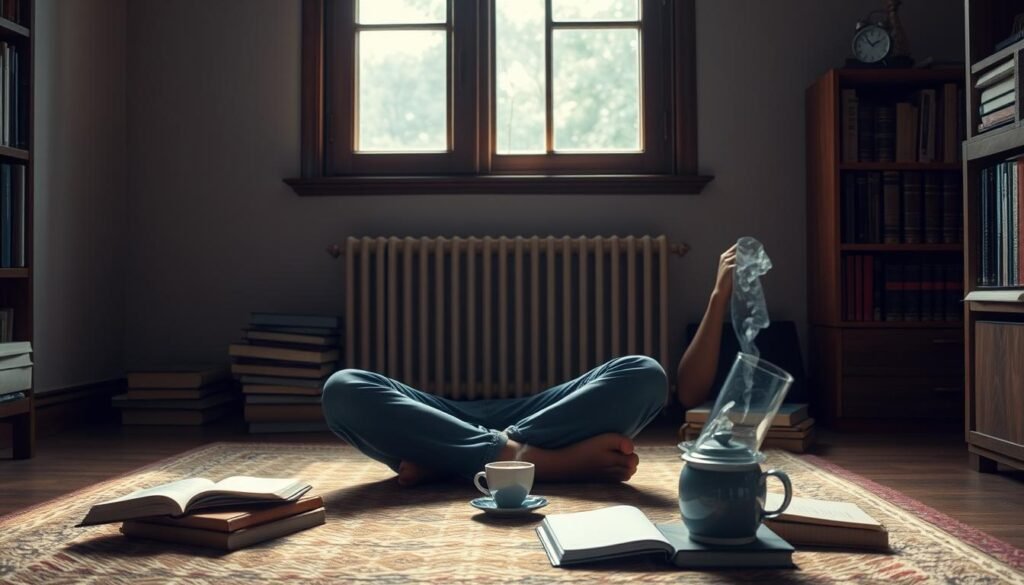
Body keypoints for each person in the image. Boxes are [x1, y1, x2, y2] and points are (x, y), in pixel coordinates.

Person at [321, 245, 737, 486]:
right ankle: (535, 461)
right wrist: (560, 460)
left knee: (646, 373)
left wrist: (720, 295)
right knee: (341, 388)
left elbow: (684, 394)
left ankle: (455, 458)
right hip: (438, 415)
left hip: (542, 417)